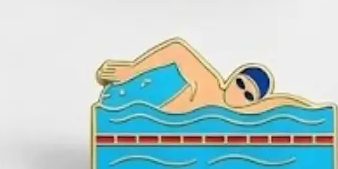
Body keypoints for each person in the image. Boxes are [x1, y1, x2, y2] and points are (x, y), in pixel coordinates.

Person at [95, 38, 310, 113]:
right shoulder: (209, 84)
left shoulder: (241, 114)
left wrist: (315, 112)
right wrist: (132, 69)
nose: (240, 92)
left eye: (248, 95)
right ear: (231, 78)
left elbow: (281, 102)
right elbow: (178, 49)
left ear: (252, 102)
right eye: (240, 83)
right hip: (137, 105)